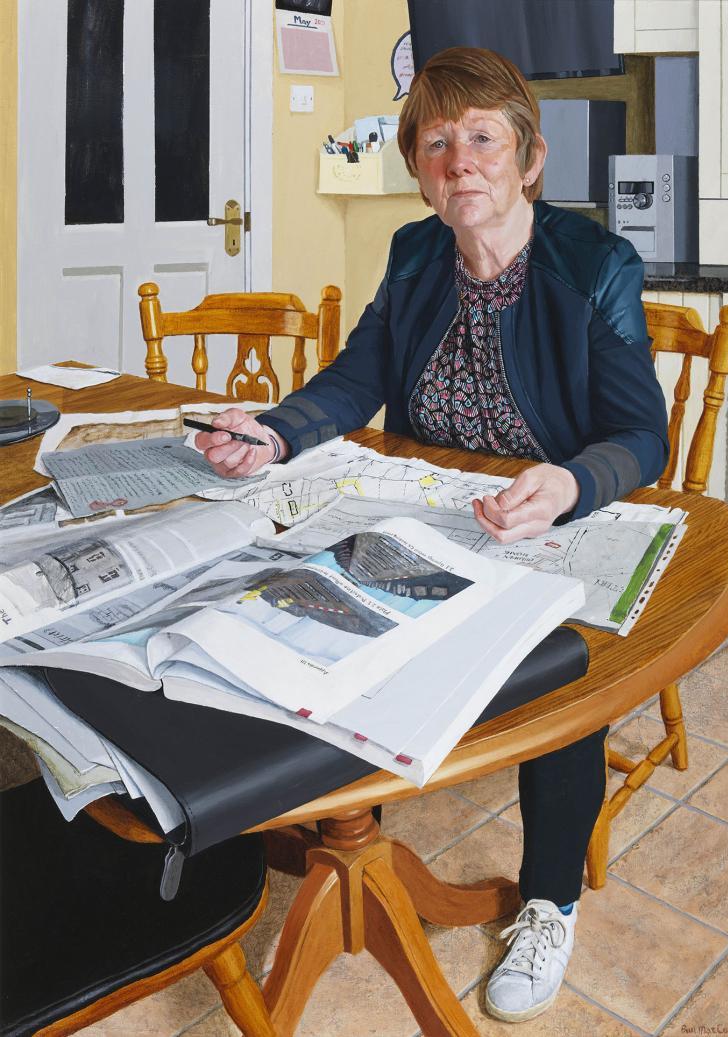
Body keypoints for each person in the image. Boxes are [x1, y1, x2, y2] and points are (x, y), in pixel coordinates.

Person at [197, 47, 669, 1025]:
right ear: (419, 165)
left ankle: (548, 898)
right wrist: (275, 428)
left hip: (549, 515)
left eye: (483, 137)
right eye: (437, 141)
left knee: (563, 670)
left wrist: (572, 481)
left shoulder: (594, 264)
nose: (461, 160)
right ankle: (307, 823)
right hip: (424, 512)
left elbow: (642, 435)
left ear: (529, 159)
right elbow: (354, 376)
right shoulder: (416, 253)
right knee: (277, 598)